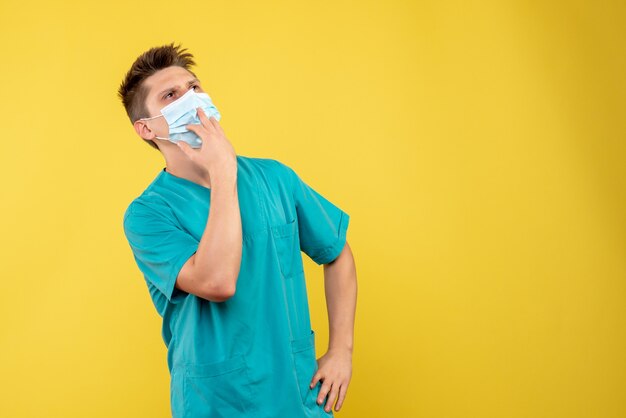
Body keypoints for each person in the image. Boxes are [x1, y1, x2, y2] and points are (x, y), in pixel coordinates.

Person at [117, 42, 358, 418]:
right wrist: (222, 171)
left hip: (298, 393)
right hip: (216, 401)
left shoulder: (275, 178)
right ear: (146, 129)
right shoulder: (148, 214)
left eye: (194, 87)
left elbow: (337, 252)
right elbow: (217, 282)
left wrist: (341, 349)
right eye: (171, 95)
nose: (191, 98)